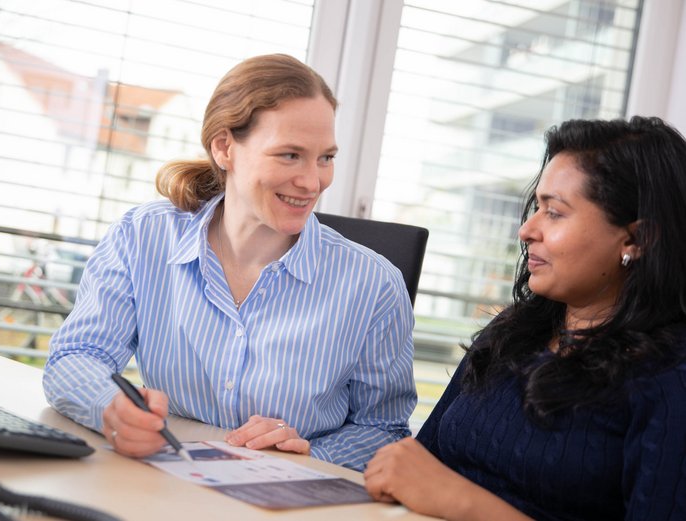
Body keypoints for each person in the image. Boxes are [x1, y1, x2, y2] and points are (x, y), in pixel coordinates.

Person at [43, 53, 417, 471]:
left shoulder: (374, 284)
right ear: (224, 147)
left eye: (325, 157)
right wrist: (108, 407)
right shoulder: (142, 236)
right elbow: (76, 355)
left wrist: (311, 455)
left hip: (287, 500)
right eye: (290, 155)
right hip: (161, 481)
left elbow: (385, 428)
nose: (313, 182)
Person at [364, 116, 686, 520]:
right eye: (537, 207)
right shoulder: (513, 331)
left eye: (555, 213)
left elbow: (443, 488)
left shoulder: (670, 377)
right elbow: (419, 465)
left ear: (636, 240)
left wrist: (467, 505)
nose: (526, 229)